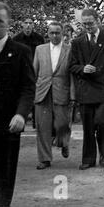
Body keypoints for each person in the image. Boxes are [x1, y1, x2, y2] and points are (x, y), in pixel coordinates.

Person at [0, 2, 35, 207]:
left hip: (8, 124)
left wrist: (21, 114)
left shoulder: (21, 51)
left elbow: (27, 87)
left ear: (9, 23)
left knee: (4, 178)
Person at [69, 9, 104, 170]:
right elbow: (72, 66)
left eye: (90, 23)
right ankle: (88, 159)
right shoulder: (77, 42)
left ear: (98, 20)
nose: (88, 26)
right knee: (87, 127)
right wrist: (82, 68)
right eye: (84, 24)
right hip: (86, 90)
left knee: (102, 123)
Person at [33, 22, 75, 170]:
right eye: (52, 33)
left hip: (62, 91)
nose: (55, 36)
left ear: (63, 34)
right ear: (48, 34)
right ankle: (44, 159)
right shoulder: (40, 50)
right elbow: (34, 72)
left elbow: (72, 74)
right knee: (42, 126)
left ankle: (64, 143)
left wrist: (72, 94)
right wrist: (33, 92)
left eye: (58, 33)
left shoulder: (69, 50)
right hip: (43, 92)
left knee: (62, 124)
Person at [13, 18, 44, 128]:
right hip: (21, 72)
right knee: (22, 96)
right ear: (22, 24)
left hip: (36, 71)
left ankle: (36, 122)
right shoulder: (16, 39)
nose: (28, 25)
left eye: (30, 23)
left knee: (36, 96)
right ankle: (22, 119)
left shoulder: (39, 39)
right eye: (26, 23)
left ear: (33, 25)